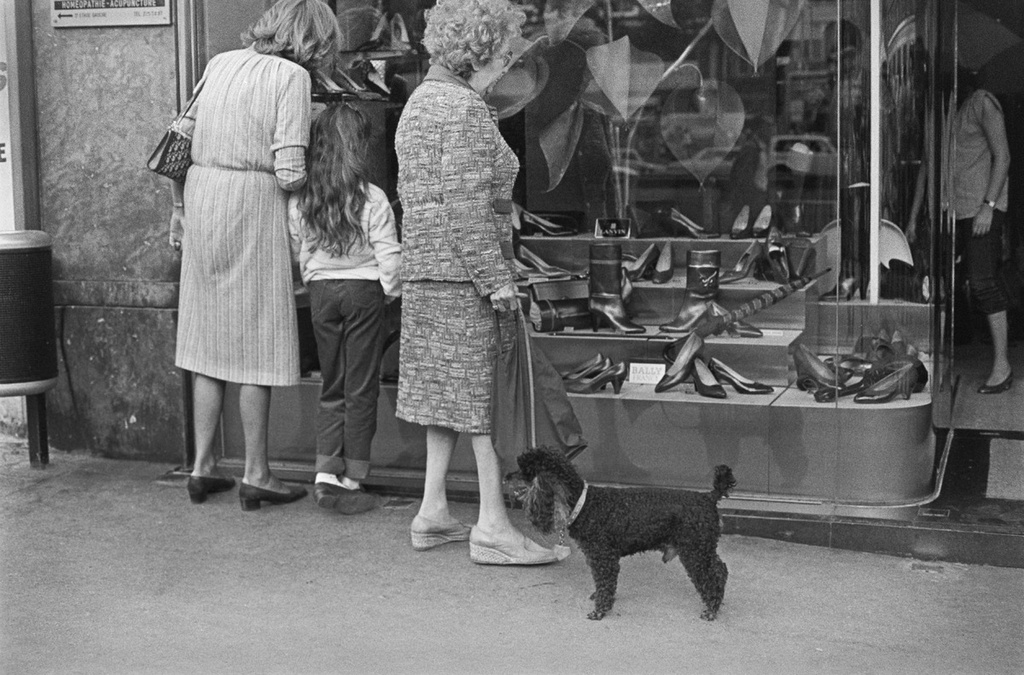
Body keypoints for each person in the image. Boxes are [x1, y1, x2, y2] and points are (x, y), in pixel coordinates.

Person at [394, 0, 563, 565]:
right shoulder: (463, 109)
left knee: (450, 398)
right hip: (465, 276)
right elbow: (466, 208)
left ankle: (432, 510)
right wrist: (499, 283)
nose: (508, 63)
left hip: (426, 272)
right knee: (488, 401)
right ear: (484, 50)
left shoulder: (420, 102)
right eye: (505, 52)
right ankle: (492, 527)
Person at [168, 0, 342, 510]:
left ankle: (201, 467)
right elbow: (288, 170)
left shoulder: (219, 62)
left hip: (203, 196)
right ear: (312, 38)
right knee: (256, 341)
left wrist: (177, 207)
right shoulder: (291, 77)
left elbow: (180, 137)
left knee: (205, 338)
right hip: (253, 204)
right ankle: (257, 473)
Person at [288, 103, 402, 514]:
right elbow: (390, 256)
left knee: (331, 384)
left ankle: (323, 473)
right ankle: (353, 479)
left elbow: (300, 250)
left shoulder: (305, 198)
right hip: (363, 293)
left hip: (322, 294)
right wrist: (389, 292)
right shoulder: (372, 198)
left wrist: (313, 282)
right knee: (360, 387)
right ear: (360, 148)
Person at [950, 70, 1012, 393]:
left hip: (982, 209)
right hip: (964, 209)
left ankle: (1002, 367)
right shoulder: (956, 110)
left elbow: (1003, 155)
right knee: (976, 282)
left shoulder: (982, 103)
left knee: (984, 283)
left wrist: (988, 204)